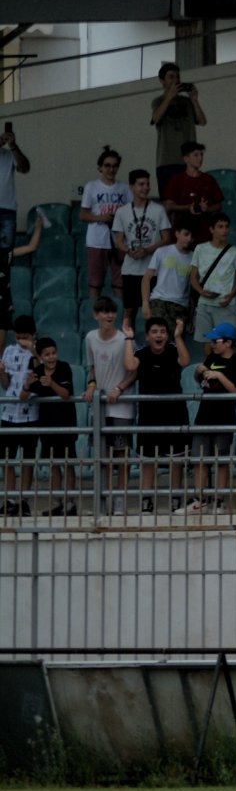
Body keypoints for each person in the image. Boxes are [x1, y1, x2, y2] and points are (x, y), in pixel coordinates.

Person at [124, 314, 191, 516]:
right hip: (149, 415)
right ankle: (146, 501)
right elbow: (129, 366)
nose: (159, 335)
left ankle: (176, 499)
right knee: (148, 462)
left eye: (162, 331)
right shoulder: (142, 353)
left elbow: (186, 361)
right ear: (148, 336)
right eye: (154, 332)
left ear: (167, 335)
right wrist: (128, 338)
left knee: (176, 461)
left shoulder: (173, 350)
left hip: (175, 413)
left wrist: (178, 337)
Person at [81, 298, 132, 513]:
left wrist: (119, 388)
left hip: (122, 405)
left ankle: (119, 500)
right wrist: (92, 385)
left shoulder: (124, 340)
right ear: (96, 315)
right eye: (104, 312)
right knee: (103, 456)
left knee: (122, 455)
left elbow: (133, 371)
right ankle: (104, 499)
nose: (109, 316)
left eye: (112, 312)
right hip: (100, 406)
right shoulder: (90, 338)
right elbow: (91, 368)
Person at [189, 322, 236, 512]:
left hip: (224, 416)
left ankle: (219, 501)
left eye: (216, 340)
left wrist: (219, 375)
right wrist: (200, 372)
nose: (212, 344)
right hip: (204, 415)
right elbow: (201, 380)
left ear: (228, 342)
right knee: (199, 459)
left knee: (222, 461)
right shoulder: (211, 357)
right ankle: (199, 500)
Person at [21, 334, 76, 516]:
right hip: (47, 425)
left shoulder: (64, 368)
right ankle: (56, 503)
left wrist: (51, 383)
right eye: (47, 354)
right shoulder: (36, 372)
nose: (51, 357)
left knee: (67, 464)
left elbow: (66, 394)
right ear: (41, 357)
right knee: (53, 465)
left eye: (53, 353)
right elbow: (23, 397)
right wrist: (27, 386)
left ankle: (70, 503)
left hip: (66, 423)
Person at [111, 168, 171, 336]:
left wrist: (147, 250)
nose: (145, 188)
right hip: (130, 269)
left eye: (147, 184)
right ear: (131, 186)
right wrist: (129, 250)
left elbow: (166, 238)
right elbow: (119, 241)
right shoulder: (122, 212)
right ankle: (128, 342)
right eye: (141, 184)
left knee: (153, 312)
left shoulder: (158, 210)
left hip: (153, 270)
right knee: (129, 310)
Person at [79, 147, 129, 299]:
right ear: (100, 168)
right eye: (107, 165)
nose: (111, 169)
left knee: (119, 283)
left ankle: (121, 319)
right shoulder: (91, 186)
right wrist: (101, 218)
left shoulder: (125, 188)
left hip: (119, 241)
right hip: (97, 240)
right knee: (96, 283)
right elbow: (83, 215)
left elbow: (131, 213)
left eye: (114, 166)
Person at [148, 62, 206, 190]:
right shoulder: (158, 101)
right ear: (162, 81)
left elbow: (202, 121)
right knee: (169, 202)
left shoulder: (187, 101)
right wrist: (168, 98)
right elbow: (156, 119)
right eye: (171, 77)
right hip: (167, 160)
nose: (176, 80)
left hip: (189, 161)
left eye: (178, 77)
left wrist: (194, 100)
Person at [142, 215, 198, 344]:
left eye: (192, 236)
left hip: (180, 307)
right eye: (186, 234)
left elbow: (193, 290)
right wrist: (145, 303)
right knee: (157, 344)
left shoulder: (194, 258)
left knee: (174, 347)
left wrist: (192, 316)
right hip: (158, 302)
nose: (189, 239)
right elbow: (147, 278)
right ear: (177, 233)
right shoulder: (162, 252)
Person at [186, 213, 236, 339]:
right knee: (207, 343)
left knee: (227, 344)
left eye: (227, 227)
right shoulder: (200, 249)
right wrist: (201, 291)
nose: (224, 230)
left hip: (226, 304)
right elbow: (193, 277)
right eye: (220, 226)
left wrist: (231, 296)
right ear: (212, 229)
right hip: (204, 304)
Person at [1, 315, 36, 514]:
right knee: (7, 459)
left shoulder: (38, 352)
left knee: (27, 460)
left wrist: (32, 349)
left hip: (30, 415)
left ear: (33, 335)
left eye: (25, 336)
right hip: (9, 414)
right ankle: (10, 499)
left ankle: (24, 500)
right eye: (18, 336)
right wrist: (2, 373)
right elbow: (5, 384)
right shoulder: (8, 351)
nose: (21, 340)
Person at [162, 140, 225, 239]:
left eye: (201, 155)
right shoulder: (176, 180)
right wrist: (187, 207)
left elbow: (218, 205)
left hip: (203, 232)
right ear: (186, 158)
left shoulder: (209, 179)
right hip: (182, 233)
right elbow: (168, 206)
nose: (200, 158)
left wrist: (207, 209)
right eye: (196, 155)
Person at [0, 120, 31, 312]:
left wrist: (13, 146)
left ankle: (3, 299)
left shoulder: (8, 154)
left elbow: (25, 167)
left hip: (7, 211)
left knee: (5, 258)